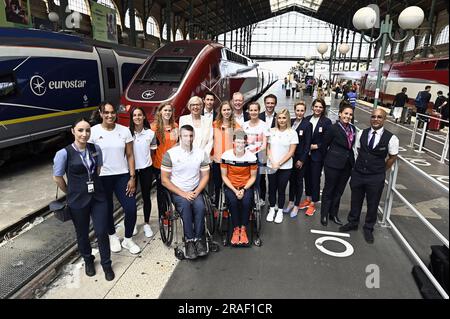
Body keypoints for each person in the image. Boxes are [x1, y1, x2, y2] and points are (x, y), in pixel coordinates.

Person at [53, 118, 115, 281]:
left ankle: (107, 264)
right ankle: (88, 260)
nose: (84, 134)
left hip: (98, 197)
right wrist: (70, 191)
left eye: (87, 130)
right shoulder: (64, 153)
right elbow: (58, 177)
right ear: (73, 131)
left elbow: (98, 170)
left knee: (102, 231)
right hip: (77, 200)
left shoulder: (96, 149)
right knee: (82, 234)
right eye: (80, 130)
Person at [339, 109, 399, 244]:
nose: (376, 119)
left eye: (379, 117)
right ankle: (353, 222)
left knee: (373, 203)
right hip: (359, 174)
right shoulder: (362, 133)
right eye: (373, 116)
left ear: (385, 119)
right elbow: (358, 150)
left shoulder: (392, 138)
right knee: (355, 200)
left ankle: (368, 227)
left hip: (376, 176)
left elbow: (392, 157)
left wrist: (381, 169)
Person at [89, 102, 140, 254]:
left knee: (131, 208)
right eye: (106, 112)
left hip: (122, 176)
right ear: (100, 113)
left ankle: (128, 239)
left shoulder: (124, 131)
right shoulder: (93, 132)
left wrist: (132, 177)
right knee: (107, 209)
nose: (110, 115)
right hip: (102, 177)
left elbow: (130, 155)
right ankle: (112, 236)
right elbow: (91, 157)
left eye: (112, 112)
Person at [161, 125, 210, 260]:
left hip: (195, 190)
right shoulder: (170, 154)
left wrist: (197, 191)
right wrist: (183, 194)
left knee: (200, 207)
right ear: (180, 137)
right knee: (186, 207)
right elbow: (164, 180)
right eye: (185, 136)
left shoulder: (201, 153)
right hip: (178, 191)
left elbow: (205, 176)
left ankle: (199, 239)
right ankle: (189, 241)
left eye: (191, 135)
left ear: (194, 136)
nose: (188, 139)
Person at [320, 101, 356, 226]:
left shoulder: (353, 128)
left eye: (350, 114)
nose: (348, 116)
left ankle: (333, 214)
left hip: (347, 164)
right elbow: (324, 146)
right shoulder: (333, 128)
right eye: (345, 113)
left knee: (339, 190)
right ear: (340, 114)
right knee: (329, 189)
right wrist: (326, 161)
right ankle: (324, 214)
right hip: (333, 164)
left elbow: (350, 146)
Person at [221, 130, 258, 246]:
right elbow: (224, 176)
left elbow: (253, 177)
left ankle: (244, 228)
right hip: (231, 186)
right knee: (232, 201)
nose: (240, 145)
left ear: (246, 143)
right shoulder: (226, 155)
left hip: (246, 186)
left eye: (242, 142)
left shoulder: (251, 157)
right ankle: (236, 229)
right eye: (238, 142)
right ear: (233, 142)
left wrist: (243, 190)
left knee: (247, 202)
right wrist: (234, 190)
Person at [266, 109, 299, 224]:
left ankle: (279, 210)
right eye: (279, 118)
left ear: (288, 119)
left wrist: (279, 163)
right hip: (271, 165)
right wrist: (272, 162)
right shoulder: (271, 131)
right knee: (271, 189)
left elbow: (291, 152)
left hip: (285, 167)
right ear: (276, 119)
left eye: (284, 118)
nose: (281, 120)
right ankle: (271, 209)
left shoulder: (292, 133)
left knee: (281, 189)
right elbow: (268, 148)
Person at [300, 98, 332, 216]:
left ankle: (313, 203)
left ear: (323, 109)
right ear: (312, 107)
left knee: (315, 178)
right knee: (306, 177)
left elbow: (327, 140)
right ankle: (308, 199)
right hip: (305, 155)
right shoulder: (307, 119)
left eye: (320, 107)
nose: (318, 109)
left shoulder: (326, 122)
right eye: (316, 106)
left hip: (317, 156)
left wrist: (315, 146)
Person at [129, 107, 157, 238]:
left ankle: (146, 223)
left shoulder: (150, 133)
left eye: (140, 115)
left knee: (146, 197)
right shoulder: (127, 134)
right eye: (135, 115)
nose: (137, 117)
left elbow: (152, 151)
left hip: (146, 169)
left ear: (144, 117)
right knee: (131, 198)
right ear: (132, 118)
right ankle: (132, 223)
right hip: (132, 171)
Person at [150, 103, 179, 220]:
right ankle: (163, 214)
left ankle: (175, 208)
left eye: (169, 111)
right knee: (162, 192)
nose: (167, 113)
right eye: (165, 110)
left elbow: (176, 144)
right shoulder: (154, 128)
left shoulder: (175, 126)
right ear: (160, 112)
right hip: (159, 164)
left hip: (174, 164)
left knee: (174, 188)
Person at [284, 101, 312, 218]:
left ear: (304, 111)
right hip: (290, 157)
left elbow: (307, 144)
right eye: (297, 110)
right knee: (291, 181)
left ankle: (296, 205)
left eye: (302, 110)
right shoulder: (290, 122)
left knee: (299, 182)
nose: (299, 113)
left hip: (300, 159)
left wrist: (302, 160)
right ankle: (290, 202)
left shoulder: (307, 125)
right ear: (294, 110)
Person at [212, 101, 240, 207]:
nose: (226, 112)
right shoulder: (214, 125)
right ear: (220, 111)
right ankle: (218, 205)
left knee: (230, 185)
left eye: (228, 109)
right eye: (224, 110)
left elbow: (240, 144)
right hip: (217, 160)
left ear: (231, 111)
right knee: (217, 184)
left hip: (230, 161)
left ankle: (229, 205)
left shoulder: (236, 126)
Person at [242, 102, 270, 206]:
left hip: (259, 156)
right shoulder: (244, 125)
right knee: (246, 180)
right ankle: (247, 200)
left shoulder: (264, 125)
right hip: (246, 156)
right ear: (248, 111)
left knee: (257, 181)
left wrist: (254, 154)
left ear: (258, 111)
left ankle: (256, 202)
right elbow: (242, 141)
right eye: (251, 110)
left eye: (255, 110)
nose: (253, 112)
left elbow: (264, 144)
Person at [258, 94, 278, 205]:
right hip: (261, 152)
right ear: (264, 104)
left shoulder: (279, 117)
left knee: (272, 178)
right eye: (268, 103)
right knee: (261, 176)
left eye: (272, 103)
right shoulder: (259, 116)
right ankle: (262, 197)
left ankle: (272, 199)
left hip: (274, 152)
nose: (270, 105)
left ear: (275, 104)